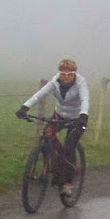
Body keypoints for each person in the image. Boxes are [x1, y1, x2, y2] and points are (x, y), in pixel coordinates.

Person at [17, 58, 90, 200]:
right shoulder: (55, 82)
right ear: (60, 73)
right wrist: (25, 107)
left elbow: (85, 99)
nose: (66, 76)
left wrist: (84, 115)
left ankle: (67, 183)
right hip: (60, 114)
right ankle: (49, 167)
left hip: (77, 117)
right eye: (63, 73)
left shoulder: (81, 83)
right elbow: (40, 94)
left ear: (75, 73)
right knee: (47, 134)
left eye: (70, 74)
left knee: (69, 146)